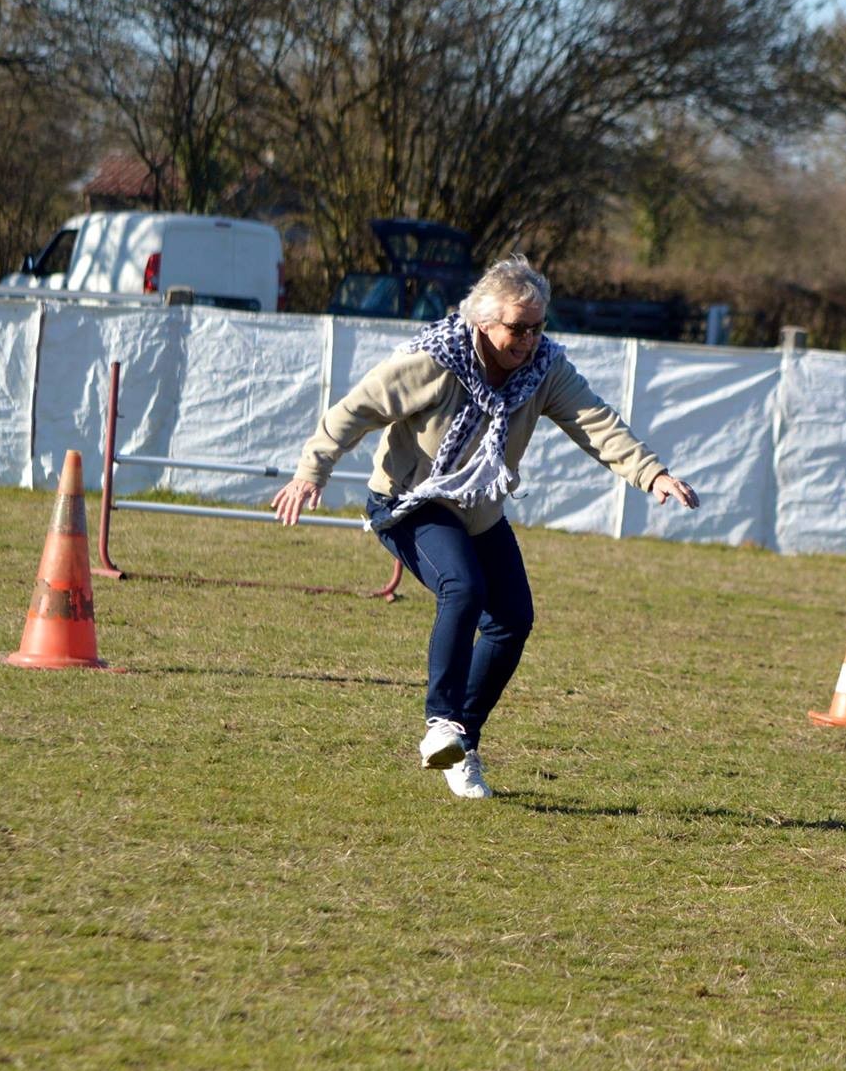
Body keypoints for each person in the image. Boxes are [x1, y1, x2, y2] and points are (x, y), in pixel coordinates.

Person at [271, 255, 698, 800]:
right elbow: (354, 410)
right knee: (464, 586)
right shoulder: (435, 362)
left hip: (476, 507)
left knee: (513, 619)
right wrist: (313, 471)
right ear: (482, 322)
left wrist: (651, 473)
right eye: (518, 328)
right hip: (408, 503)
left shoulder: (545, 369)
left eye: (538, 327)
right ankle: (441, 722)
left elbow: (595, 420)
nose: (528, 340)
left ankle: (461, 745)